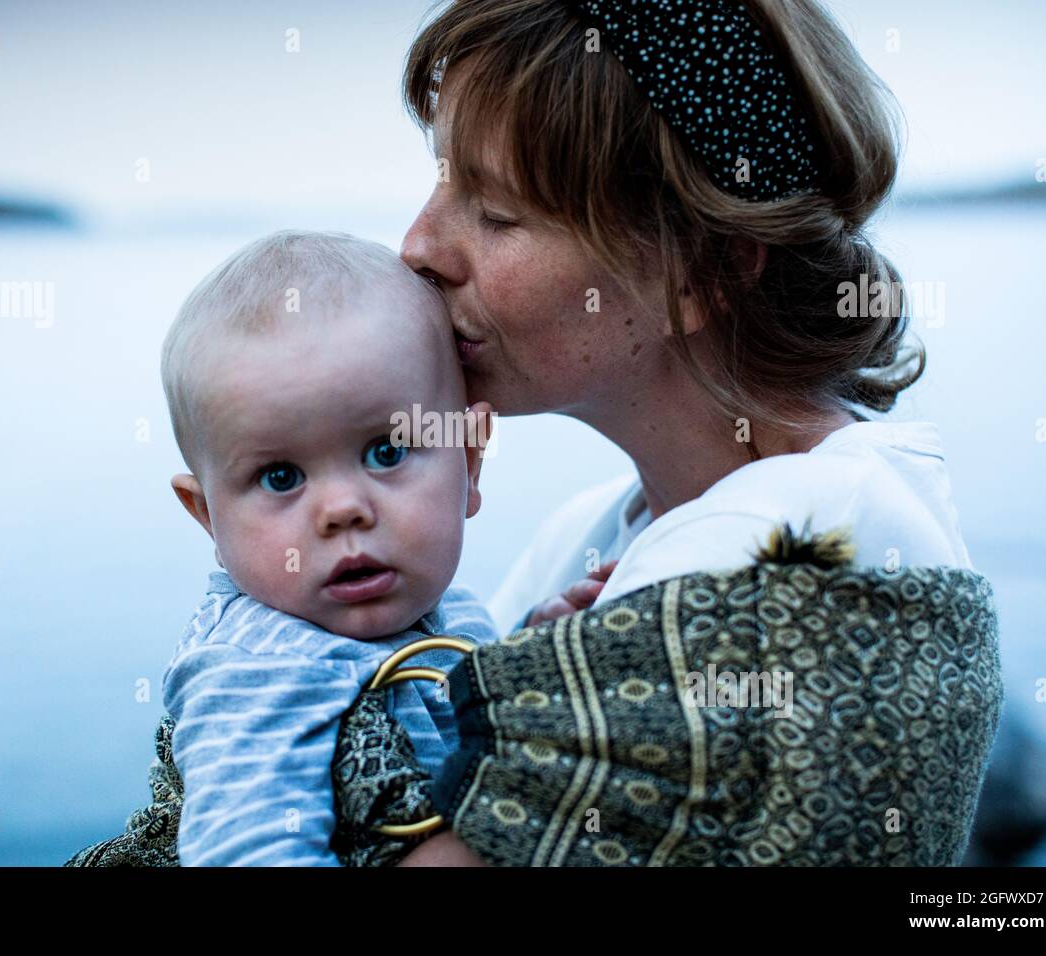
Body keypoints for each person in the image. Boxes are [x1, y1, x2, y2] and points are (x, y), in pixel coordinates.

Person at [393, 0, 993, 865]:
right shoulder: (616, 524)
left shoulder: (778, 553)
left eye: (496, 212)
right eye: (442, 181)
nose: (418, 245)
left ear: (702, 270)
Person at [158, 230, 498, 865]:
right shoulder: (256, 669)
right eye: (280, 477)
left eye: (387, 452)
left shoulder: (459, 613)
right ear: (209, 517)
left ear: (470, 463)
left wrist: (558, 640)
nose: (343, 509)